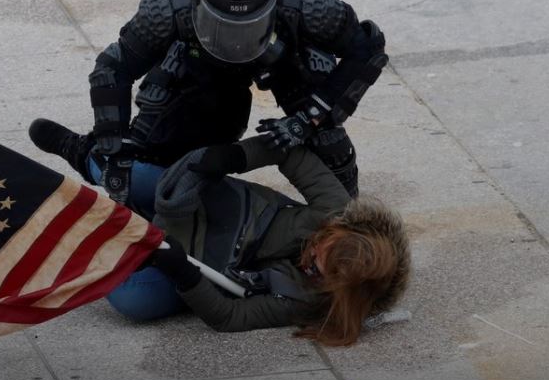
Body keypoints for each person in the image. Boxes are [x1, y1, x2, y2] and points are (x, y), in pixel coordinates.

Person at [29, 0, 388, 219]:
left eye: (244, 26)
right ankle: (84, 153)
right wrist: (114, 147)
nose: (236, 40)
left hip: (284, 57)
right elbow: (111, 68)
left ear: (275, 0)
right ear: (196, 0)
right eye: (225, 25)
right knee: (145, 153)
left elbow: (367, 49)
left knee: (332, 159)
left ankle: (348, 215)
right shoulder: (168, 6)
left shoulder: (309, 2)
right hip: (201, 59)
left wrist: (309, 118)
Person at [124, 137, 411, 345]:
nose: (306, 260)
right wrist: (236, 156)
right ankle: (87, 158)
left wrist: (185, 276)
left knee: (134, 300)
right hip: (213, 208)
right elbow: (292, 154)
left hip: (199, 264)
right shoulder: (336, 209)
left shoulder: (305, 301)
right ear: (340, 229)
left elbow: (229, 317)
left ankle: (125, 230)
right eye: (318, 244)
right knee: (134, 176)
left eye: (314, 271)